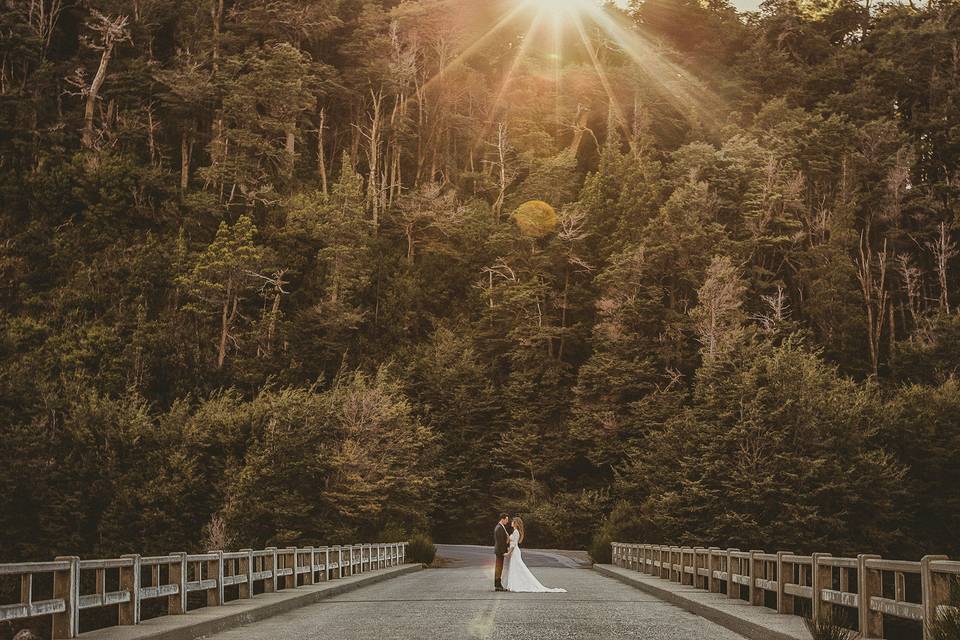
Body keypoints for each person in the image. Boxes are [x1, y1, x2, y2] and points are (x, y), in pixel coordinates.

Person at [501, 517, 566, 593]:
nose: (511, 522)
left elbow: (514, 544)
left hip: (515, 552)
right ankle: (513, 584)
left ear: (516, 523)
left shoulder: (516, 532)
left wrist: (508, 553)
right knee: (515, 567)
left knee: (517, 567)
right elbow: (511, 541)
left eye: (513, 521)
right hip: (514, 552)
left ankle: (517, 584)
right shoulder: (515, 531)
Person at [493, 513, 510, 591]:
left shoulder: (500, 527)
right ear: (502, 519)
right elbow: (500, 542)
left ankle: (498, 585)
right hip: (500, 552)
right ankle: (498, 586)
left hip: (500, 551)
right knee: (499, 568)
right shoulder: (499, 528)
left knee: (499, 568)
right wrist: (503, 552)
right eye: (506, 519)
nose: (507, 521)